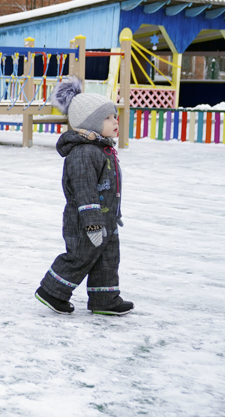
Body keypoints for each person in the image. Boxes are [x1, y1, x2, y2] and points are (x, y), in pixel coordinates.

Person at [35, 77, 134, 316]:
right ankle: (52, 291)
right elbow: (84, 189)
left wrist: (113, 214)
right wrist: (92, 222)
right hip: (84, 220)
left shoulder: (101, 148)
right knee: (80, 255)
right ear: (90, 124)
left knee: (108, 257)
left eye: (114, 116)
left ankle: (105, 298)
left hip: (106, 218)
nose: (115, 121)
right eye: (107, 118)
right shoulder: (83, 153)